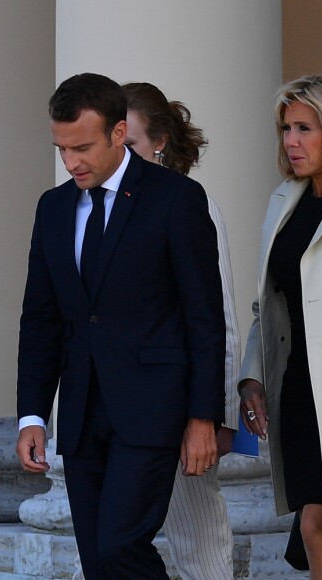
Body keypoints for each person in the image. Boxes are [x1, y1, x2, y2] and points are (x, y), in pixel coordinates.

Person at [16, 72, 226, 579]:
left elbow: (204, 316)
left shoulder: (176, 198)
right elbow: (40, 319)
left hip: (153, 410)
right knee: (96, 559)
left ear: (116, 133)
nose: (71, 162)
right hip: (83, 412)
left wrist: (203, 417)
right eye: (61, 149)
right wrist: (32, 416)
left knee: (119, 546)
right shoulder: (53, 207)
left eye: (82, 147)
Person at [238, 75, 322, 579]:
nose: (291, 141)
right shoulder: (283, 202)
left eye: (304, 128)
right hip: (303, 385)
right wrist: (253, 374)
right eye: (285, 128)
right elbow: (269, 304)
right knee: (317, 520)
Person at [123, 81, 240, 580]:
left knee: (197, 538)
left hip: (184, 406)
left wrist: (218, 415)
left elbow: (221, 319)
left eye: (128, 144)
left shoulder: (192, 204)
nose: (118, 156)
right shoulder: (95, 210)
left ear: (159, 142)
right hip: (123, 407)